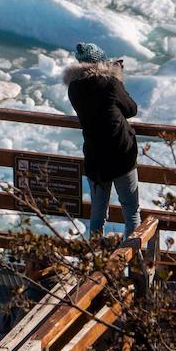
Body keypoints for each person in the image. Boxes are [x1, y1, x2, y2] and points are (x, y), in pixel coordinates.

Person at [65, 42, 140, 240]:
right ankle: (133, 263)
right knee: (131, 210)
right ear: (101, 63)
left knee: (98, 214)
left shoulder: (74, 88)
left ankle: (94, 263)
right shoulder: (110, 84)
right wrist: (117, 77)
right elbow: (131, 109)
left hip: (95, 159)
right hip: (121, 155)